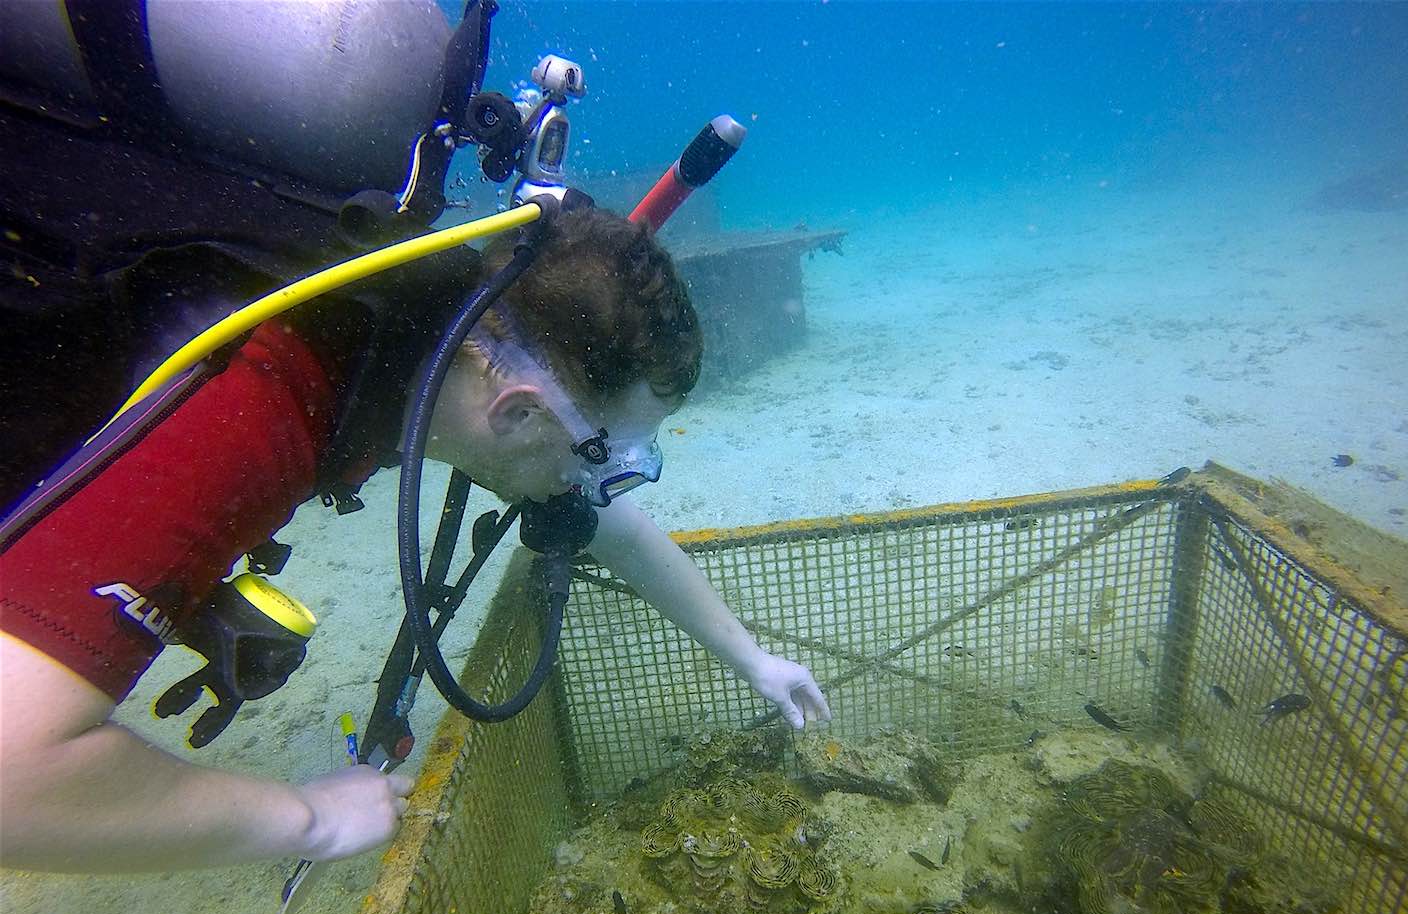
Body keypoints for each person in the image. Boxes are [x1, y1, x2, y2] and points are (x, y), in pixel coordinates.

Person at [0, 205, 831, 874]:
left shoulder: (417, 331)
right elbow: (15, 781)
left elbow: (614, 528)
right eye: (603, 456)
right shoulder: (264, 398)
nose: (597, 486)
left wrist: (751, 658)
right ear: (517, 412)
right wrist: (310, 820)